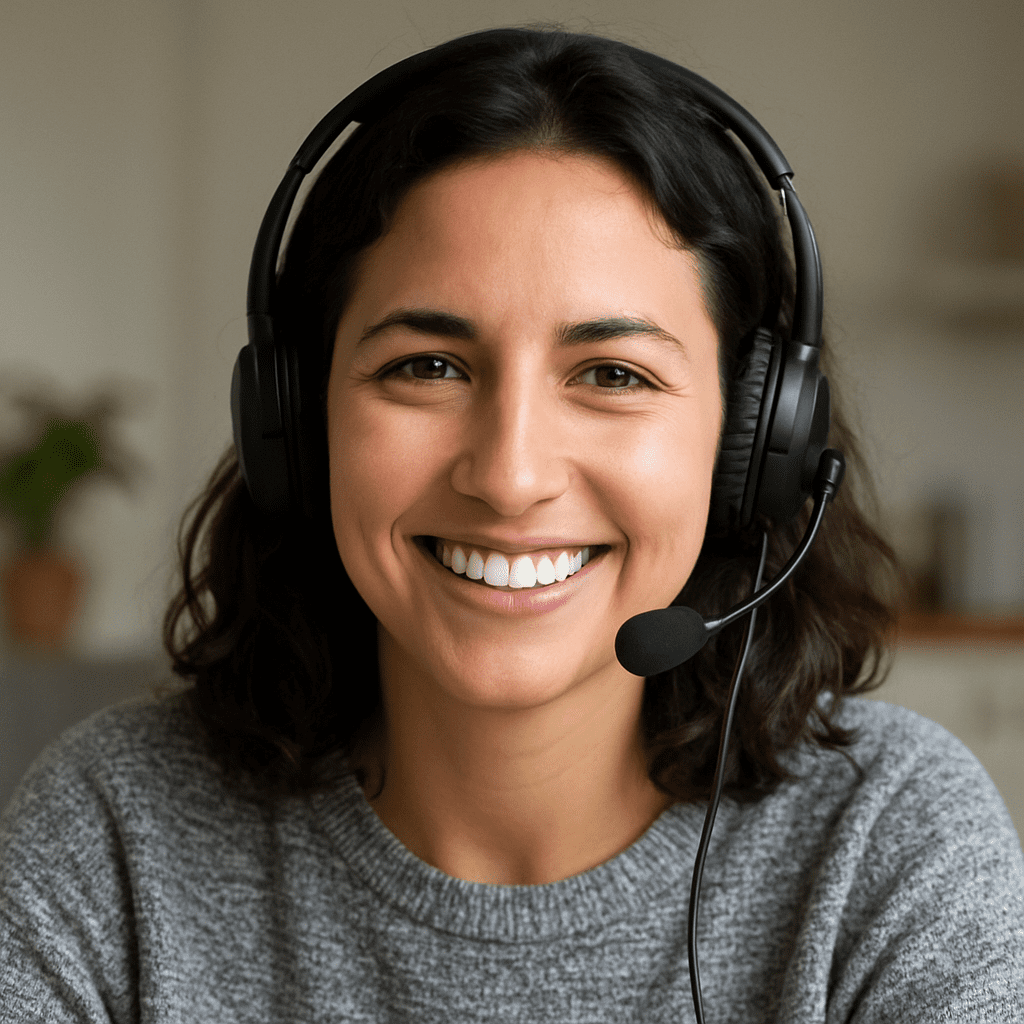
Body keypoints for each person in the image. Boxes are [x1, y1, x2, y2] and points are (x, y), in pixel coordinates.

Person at [2, 26, 1022, 1023]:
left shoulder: (884, 837)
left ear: (754, 444)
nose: (510, 474)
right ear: (297, 422)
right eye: (426, 365)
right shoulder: (113, 828)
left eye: (613, 375)